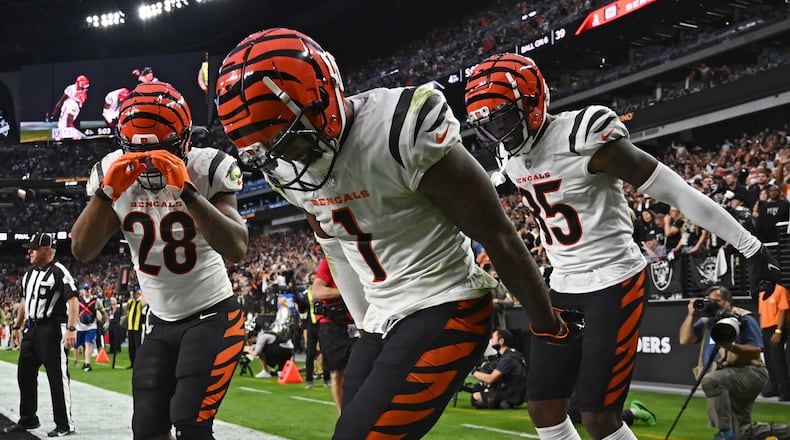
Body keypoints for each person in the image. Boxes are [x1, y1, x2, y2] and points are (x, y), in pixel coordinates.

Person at [215, 28, 568, 439]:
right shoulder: (289, 169)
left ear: (322, 97)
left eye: (288, 137)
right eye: (270, 148)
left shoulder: (398, 126)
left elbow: (498, 233)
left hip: (446, 301)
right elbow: (335, 247)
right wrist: (367, 324)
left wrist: (548, 327)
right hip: (382, 318)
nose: (286, 156)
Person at [463, 53, 780, 440]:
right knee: (543, 408)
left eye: (503, 120)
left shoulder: (583, 135)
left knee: (599, 416)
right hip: (562, 285)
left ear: (531, 103)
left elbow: (675, 190)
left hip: (614, 280)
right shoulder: (505, 154)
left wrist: (751, 246)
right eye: (488, 126)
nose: (499, 134)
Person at [70, 81, 249, 440]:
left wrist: (188, 191)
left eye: (163, 151)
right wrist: (106, 193)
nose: (149, 166)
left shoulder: (208, 166)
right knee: (147, 429)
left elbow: (236, 248)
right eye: (137, 153)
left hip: (212, 313)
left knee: (190, 423)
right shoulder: (109, 169)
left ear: (186, 141)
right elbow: (82, 250)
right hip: (160, 320)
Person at [4, 233, 78, 437]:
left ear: (47, 250)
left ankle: (65, 424)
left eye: (34, 248)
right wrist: (17, 328)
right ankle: (29, 419)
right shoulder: (28, 273)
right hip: (32, 328)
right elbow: (24, 303)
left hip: (52, 329)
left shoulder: (59, 272)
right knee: (24, 374)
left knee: (56, 376)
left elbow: (73, 301)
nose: (29, 251)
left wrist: (71, 329)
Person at [678, 286, 767, 440]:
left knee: (712, 381)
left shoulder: (743, 318)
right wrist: (691, 315)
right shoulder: (707, 320)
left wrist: (731, 346)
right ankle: (782, 432)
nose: (713, 304)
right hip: (726, 377)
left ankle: (724, 432)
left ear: (728, 301)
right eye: (710, 301)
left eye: (717, 301)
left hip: (749, 372)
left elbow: (755, 351)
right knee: (742, 429)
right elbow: (685, 339)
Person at [311, 257, 358, 413]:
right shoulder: (331, 261)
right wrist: (347, 292)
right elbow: (317, 291)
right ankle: (342, 415)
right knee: (337, 373)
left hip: (358, 323)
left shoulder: (359, 258)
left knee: (361, 369)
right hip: (333, 324)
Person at [468, 328, 527, 409]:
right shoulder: (512, 354)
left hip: (511, 393)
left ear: (501, 341)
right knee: (479, 388)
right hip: (516, 392)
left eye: (493, 338)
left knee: (475, 397)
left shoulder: (508, 358)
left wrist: (473, 371)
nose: (491, 340)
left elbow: (490, 379)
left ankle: (500, 402)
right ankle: (502, 402)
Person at [244, 297, 294, 378]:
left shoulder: (262, 337)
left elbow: (256, 352)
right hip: (287, 348)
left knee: (262, 349)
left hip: (285, 349)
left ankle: (265, 371)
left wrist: (248, 350)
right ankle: (279, 368)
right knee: (280, 373)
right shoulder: (264, 334)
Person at [758, 283, 789, 401]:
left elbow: (783, 311)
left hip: (775, 328)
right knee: (769, 360)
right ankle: (773, 387)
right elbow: (761, 313)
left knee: (778, 360)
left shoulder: (780, 290)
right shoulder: (761, 293)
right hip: (765, 329)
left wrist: (779, 331)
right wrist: (761, 330)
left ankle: (785, 391)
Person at [74, 283, 104, 372]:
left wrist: (105, 319)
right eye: (85, 289)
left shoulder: (96, 300)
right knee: (82, 345)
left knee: (88, 343)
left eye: (88, 289)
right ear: (82, 290)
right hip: (80, 326)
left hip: (92, 326)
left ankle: (88, 364)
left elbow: (102, 310)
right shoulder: (78, 300)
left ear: (90, 290)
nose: (86, 291)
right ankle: (83, 362)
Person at [125, 285, 146, 368]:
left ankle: (138, 363)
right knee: (131, 346)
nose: (133, 295)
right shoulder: (131, 302)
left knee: (138, 346)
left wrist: (142, 295)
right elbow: (127, 310)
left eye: (135, 293)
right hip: (131, 326)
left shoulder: (141, 302)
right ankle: (132, 362)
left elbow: (144, 304)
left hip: (138, 327)